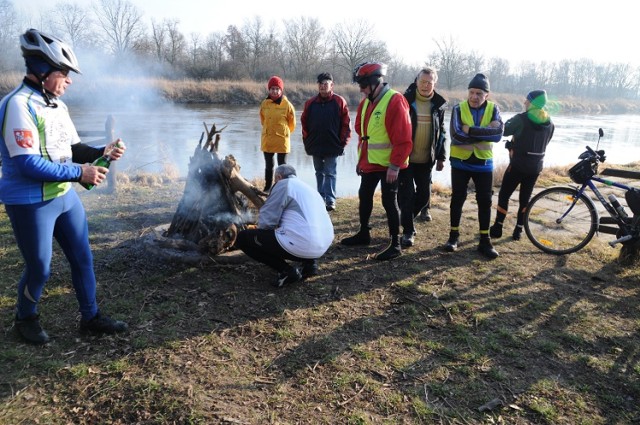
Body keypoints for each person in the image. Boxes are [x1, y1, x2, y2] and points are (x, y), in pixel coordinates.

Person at [0, 29, 128, 344]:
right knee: (40, 269)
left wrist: (102, 152)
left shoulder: (57, 106)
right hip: (30, 201)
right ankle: (25, 318)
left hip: (64, 198)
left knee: (83, 257)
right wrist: (79, 173)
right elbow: (27, 164)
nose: (69, 80)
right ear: (42, 71)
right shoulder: (18, 104)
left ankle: (91, 317)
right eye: (64, 73)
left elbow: (73, 149)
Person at [340, 62, 413, 261]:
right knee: (364, 195)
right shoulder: (366, 102)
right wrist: (360, 160)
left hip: (389, 165)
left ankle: (395, 244)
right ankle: (364, 233)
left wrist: (395, 165)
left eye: (363, 84)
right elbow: (364, 134)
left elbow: (404, 138)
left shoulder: (395, 100)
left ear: (374, 82)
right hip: (370, 162)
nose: (360, 89)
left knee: (390, 202)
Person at [235, 164, 334, 288]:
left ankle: (286, 271)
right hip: (323, 244)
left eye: (275, 181)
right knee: (302, 227)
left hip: (301, 243)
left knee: (243, 238)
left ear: (279, 177)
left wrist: (259, 231)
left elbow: (267, 221)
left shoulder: (283, 184)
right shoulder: (309, 188)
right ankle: (310, 264)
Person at [444, 73, 504, 259]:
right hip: (460, 162)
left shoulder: (494, 109)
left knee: (485, 202)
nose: (474, 97)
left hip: (484, 163)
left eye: (479, 93)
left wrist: (470, 130)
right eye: (471, 92)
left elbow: (497, 135)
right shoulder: (458, 108)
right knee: (457, 199)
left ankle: (484, 241)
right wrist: (485, 132)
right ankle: (453, 236)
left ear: (487, 94)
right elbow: (456, 136)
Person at [490, 90, 555, 240]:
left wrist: (496, 122)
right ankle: (518, 230)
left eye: (527, 100)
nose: (525, 102)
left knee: (504, 194)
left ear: (532, 103)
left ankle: (498, 227)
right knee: (525, 199)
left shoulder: (521, 119)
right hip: (535, 168)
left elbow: (503, 131)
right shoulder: (550, 122)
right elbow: (547, 141)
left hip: (517, 166)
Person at [398, 67, 447, 247]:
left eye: (429, 82)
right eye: (423, 82)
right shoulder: (404, 101)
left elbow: (441, 132)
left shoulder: (439, 104)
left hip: (426, 159)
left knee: (424, 195)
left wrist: (441, 156)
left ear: (435, 83)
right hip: (406, 159)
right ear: (416, 81)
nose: (426, 86)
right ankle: (408, 232)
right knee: (406, 195)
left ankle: (406, 219)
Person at [301, 72, 352, 212]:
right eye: (320, 84)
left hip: (333, 145)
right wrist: (307, 141)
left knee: (330, 172)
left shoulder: (339, 101)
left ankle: (330, 200)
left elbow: (346, 124)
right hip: (315, 144)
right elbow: (304, 123)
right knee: (319, 172)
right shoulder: (310, 103)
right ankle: (320, 198)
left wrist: (342, 143)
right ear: (318, 86)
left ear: (331, 85)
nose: (323, 87)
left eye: (326, 84)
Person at [259, 76, 296, 191]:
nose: (274, 91)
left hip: (282, 140)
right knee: (269, 166)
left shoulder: (287, 105)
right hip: (268, 139)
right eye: (272, 89)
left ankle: (282, 188)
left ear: (281, 90)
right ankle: (267, 187)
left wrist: (284, 132)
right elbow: (262, 119)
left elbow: (292, 123)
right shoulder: (264, 104)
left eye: (277, 89)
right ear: (269, 90)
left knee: (282, 166)